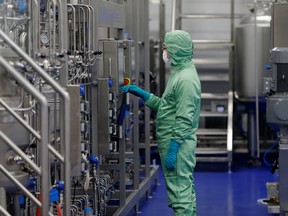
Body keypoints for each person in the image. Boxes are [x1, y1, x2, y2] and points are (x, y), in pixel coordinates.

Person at [121, 30, 201, 216]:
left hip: (178, 145)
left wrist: (173, 148)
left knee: (180, 194)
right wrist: (144, 95)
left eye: (165, 48)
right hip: (173, 142)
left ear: (175, 49)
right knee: (183, 190)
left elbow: (184, 117)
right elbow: (167, 106)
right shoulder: (179, 72)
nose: (164, 52)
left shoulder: (186, 79)